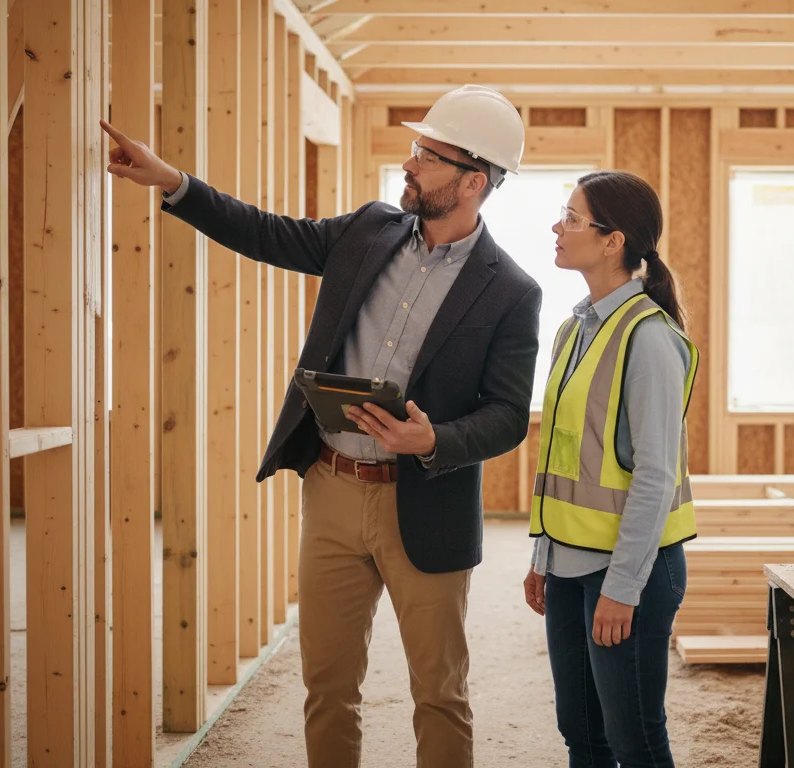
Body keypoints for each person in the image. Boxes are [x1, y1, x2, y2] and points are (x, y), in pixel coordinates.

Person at [100, 84, 542, 768]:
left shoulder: (513, 291)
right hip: (332, 489)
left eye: (428, 154)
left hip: (426, 506)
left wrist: (433, 441)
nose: (410, 162)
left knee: (439, 693)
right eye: (414, 149)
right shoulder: (369, 230)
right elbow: (269, 232)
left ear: (474, 180)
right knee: (327, 687)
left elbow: (510, 415)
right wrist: (174, 182)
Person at [523, 170, 699, 768]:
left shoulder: (648, 338)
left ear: (612, 241)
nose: (557, 226)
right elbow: (565, 457)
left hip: (630, 575)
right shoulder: (574, 329)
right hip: (568, 565)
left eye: (572, 218)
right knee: (581, 731)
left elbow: (656, 476)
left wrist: (622, 589)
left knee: (636, 741)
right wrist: (543, 557)